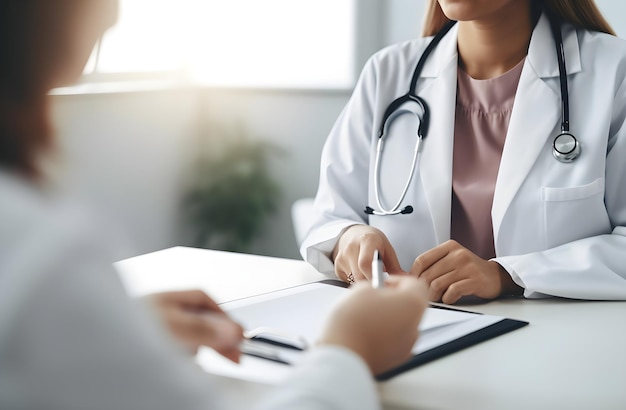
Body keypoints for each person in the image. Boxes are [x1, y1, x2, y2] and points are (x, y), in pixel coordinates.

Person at [0, 1, 429, 409]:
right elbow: (331, 211)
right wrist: (347, 351)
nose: (114, 13)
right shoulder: (47, 260)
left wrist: (101, 330)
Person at [301, 0, 626, 304]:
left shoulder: (614, 71)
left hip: (558, 347)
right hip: (412, 338)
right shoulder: (386, 73)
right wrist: (349, 238)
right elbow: (329, 217)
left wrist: (507, 275)